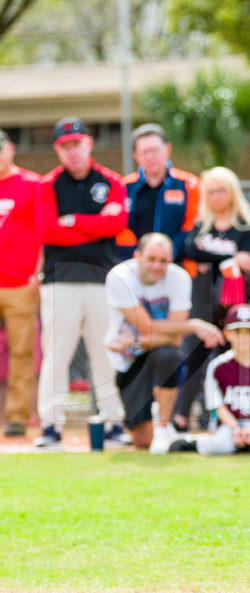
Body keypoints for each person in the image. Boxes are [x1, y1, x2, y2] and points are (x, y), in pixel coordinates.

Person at [34, 117, 131, 449]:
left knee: (104, 352)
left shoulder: (111, 181)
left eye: (77, 143)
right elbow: (47, 231)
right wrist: (95, 224)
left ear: (89, 143)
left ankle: (113, 421)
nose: (72, 151)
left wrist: (74, 222)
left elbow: (116, 223)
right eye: (65, 146)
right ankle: (51, 424)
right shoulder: (48, 185)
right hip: (60, 280)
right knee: (56, 354)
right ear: (57, 150)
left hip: (102, 279)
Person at [104, 233, 224, 452]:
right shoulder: (119, 276)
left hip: (153, 352)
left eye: (164, 260)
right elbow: (149, 326)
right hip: (128, 361)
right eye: (151, 259)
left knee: (169, 354)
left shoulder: (180, 278)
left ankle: (163, 427)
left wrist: (135, 341)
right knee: (142, 441)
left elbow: (175, 338)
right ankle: (157, 427)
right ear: (136, 255)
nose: (157, 266)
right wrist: (192, 325)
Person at [174, 166, 250, 431]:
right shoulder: (202, 226)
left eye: (221, 190)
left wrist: (210, 257)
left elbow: (248, 260)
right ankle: (181, 416)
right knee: (195, 355)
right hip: (201, 300)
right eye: (211, 192)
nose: (216, 197)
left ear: (232, 192)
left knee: (231, 356)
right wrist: (227, 258)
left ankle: (230, 417)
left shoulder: (244, 228)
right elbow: (189, 251)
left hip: (233, 302)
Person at [197, 303, 250, 456]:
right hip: (229, 425)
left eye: (249, 332)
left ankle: (246, 443)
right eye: (237, 332)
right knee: (217, 447)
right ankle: (194, 442)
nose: (243, 337)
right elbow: (219, 406)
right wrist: (236, 429)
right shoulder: (218, 366)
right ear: (227, 334)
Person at [0, 128, 41, 437]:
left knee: (21, 352)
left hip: (19, 283)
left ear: (10, 149)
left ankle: (17, 416)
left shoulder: (32, 185)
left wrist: (37, 272)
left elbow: (44, 234)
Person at [118, 123, 200, 263]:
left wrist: (168, 252)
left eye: (155, 150)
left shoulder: (189, 184)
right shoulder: (124, 186)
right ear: (136, 156)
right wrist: (140, 254)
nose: (150, 156)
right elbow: (119, 226)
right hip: (135, 264)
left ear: (167, 149)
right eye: (144, 152)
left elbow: (194, 225)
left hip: (179, 265)